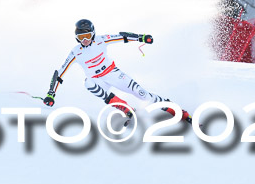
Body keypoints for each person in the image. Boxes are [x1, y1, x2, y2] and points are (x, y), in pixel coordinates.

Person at [43, 19, 192, 122]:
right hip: (98, 80)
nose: (85, 40)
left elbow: (122, 37)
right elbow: (60, 72)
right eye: (81, 37)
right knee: (88, 83)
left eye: (87, 36)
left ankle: (178, 112)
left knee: (144, 95)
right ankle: (124, 107)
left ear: (93, 33)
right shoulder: (76, 52)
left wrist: (141, 38)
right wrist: (51, 94)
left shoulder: (101, 40)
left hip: (113, 74)